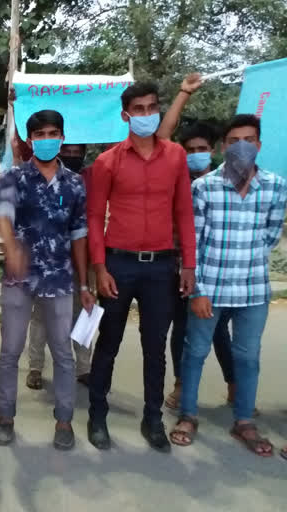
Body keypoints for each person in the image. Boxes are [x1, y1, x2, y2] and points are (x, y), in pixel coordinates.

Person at [86, 82, 196, 453]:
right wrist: (99, 268)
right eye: (139, 109)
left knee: (155, 347)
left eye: (152, 108)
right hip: (119, 263)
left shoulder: (176, 157)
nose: (146, 115)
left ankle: (152, 419)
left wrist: (188, 266)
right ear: (126, 115)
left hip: (161, 267)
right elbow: (94, 216)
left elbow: (183, 213)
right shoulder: (107, 162)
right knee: (108, 344)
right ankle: (97, 416)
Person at [170, 114, 287, 457]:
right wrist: (199, 290)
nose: (241, 147)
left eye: (249, 140)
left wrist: (246, 261)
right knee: (195, 353)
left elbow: (270, 234)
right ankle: (188, 415)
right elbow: (193, 244)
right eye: (234, 141)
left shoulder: (276, 186)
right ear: (224, 147)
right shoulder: (204, 188)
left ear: (259, 145)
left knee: (248, 357)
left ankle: (244, 421)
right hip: (211, 287)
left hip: (253, 290)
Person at [0, 110, 94, 450]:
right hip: (18, 281)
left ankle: (64, 421)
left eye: (53, 133)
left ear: (62, 138)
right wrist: (11, 250)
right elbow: (3, 216)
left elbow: (79, 233)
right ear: (30, 140)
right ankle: (5, 416)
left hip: (60, 280)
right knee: (10, 351)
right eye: (40, 134)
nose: (47, 139)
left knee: (63, 353)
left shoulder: (75, 184)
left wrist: (84, 283)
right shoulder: (13, 178)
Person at [156, 74, 237, 410]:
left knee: (217, 332)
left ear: (214, 151)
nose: (195, 155)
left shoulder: (224, 184)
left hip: (217, 272)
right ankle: (180, 385)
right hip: (178, 269)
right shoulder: (174, 177)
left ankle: (235, 387)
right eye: (189, 150)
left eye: (202, 150)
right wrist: (183, 94)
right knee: (180, 328)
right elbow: (162, 136)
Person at [25, 143, 94, 390]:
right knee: (41, 316)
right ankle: (35, 367)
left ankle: (84, 367)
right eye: (68, 152)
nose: (73, 157)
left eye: (78, 153)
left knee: (83, 313)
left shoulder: (89, 179)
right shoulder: (43, 177)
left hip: (82, 259)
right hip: (48, 260)